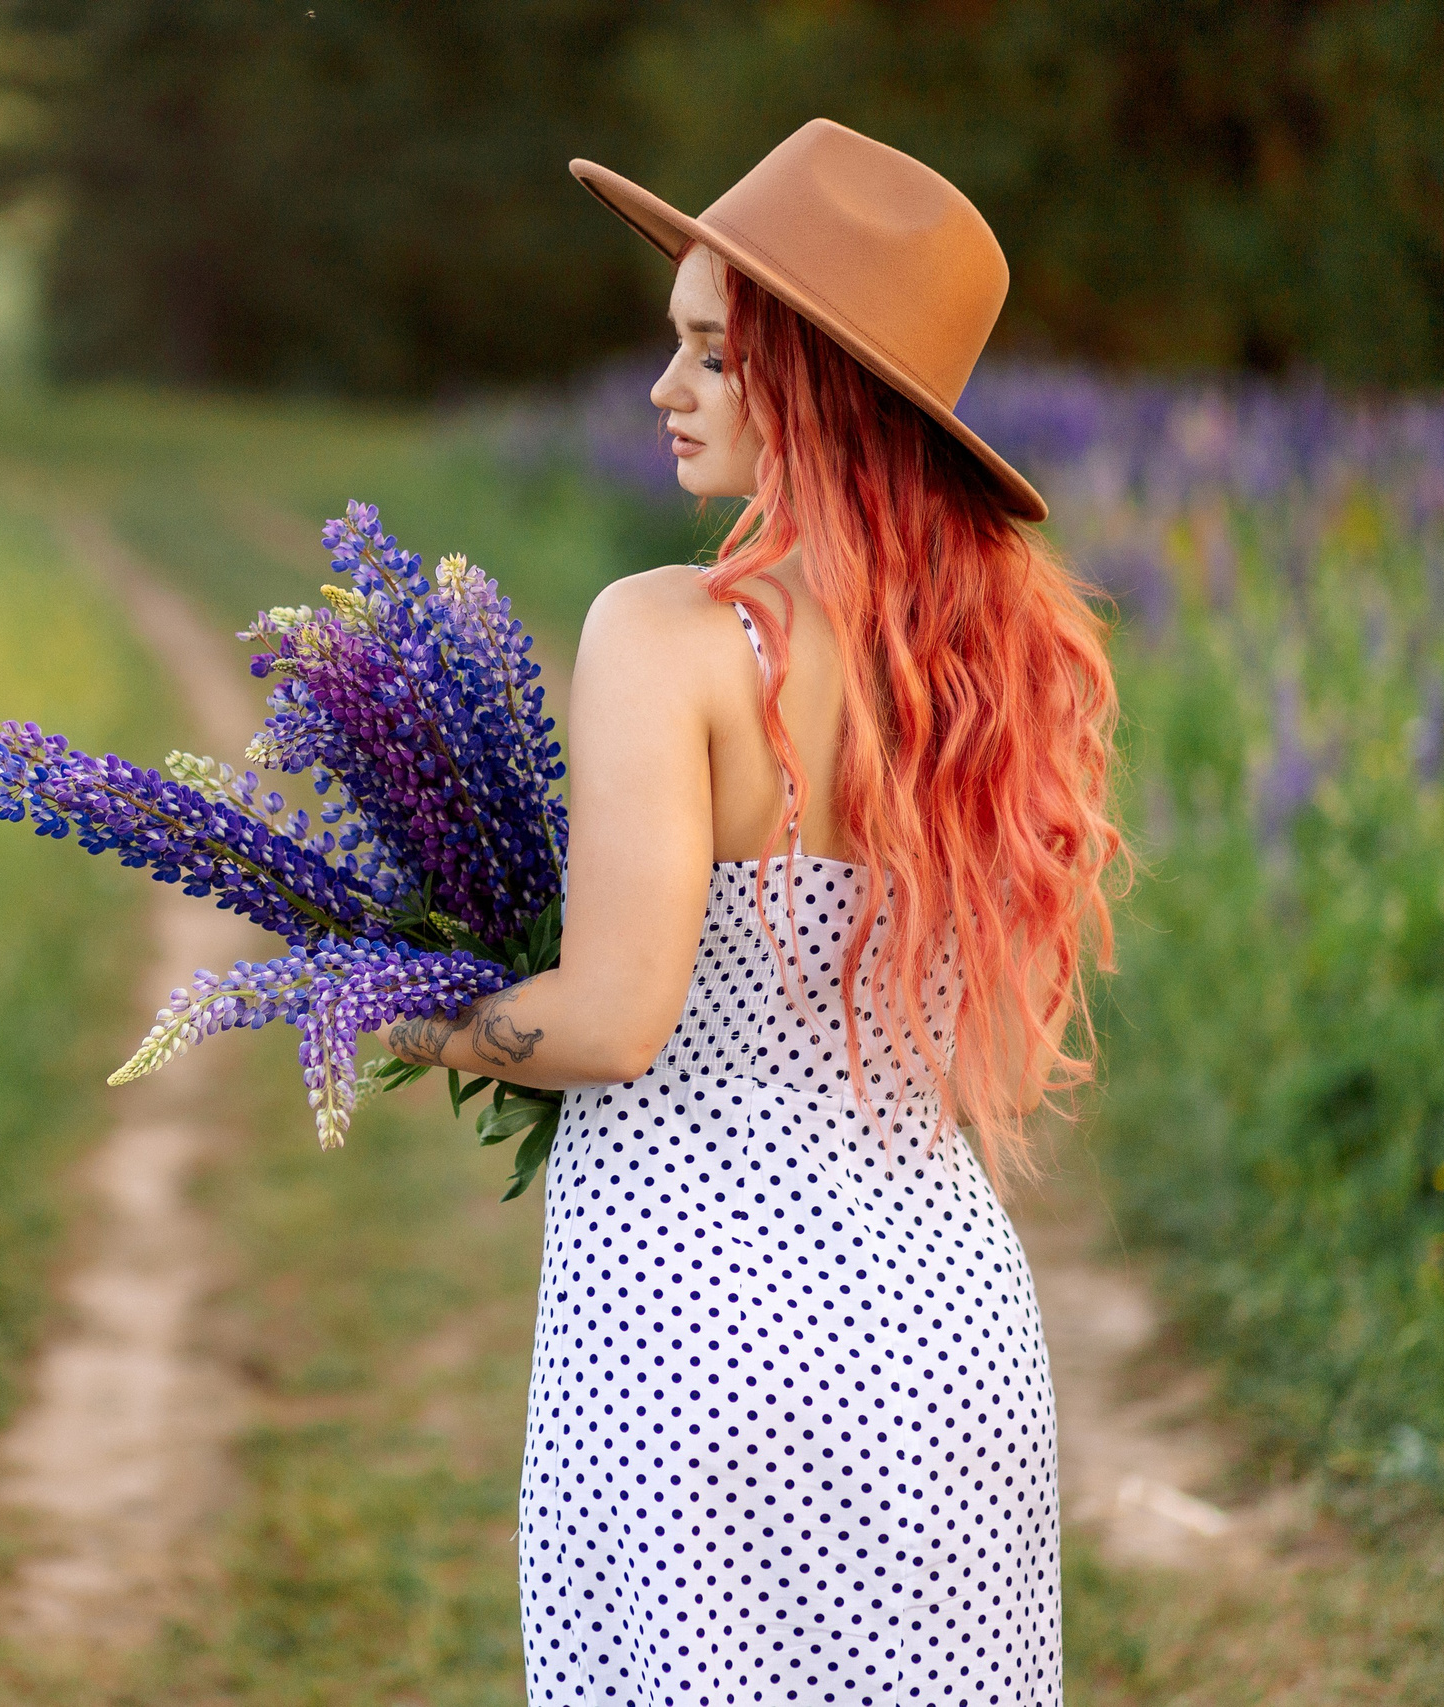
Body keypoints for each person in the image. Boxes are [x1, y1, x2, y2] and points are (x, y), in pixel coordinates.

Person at [379, 119, 1123, 1704]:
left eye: (713, 355)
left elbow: (611, 1018)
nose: (667, 390)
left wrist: (404, 1009)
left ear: (818, 385)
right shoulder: (991, 670)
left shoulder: (667, 633)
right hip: (944, 1341)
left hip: (698, 1342)